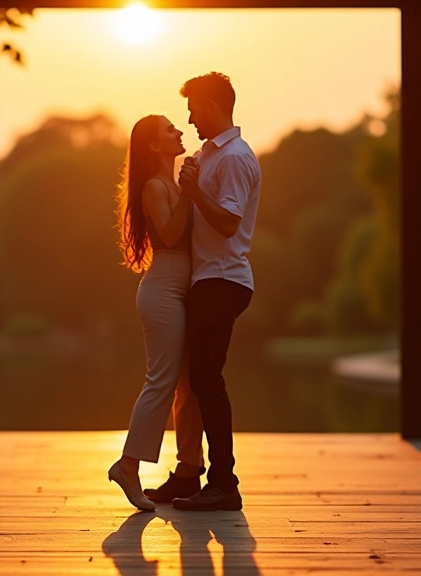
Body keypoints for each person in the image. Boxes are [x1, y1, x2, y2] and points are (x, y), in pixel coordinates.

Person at [169, 72, 261, 512]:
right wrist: (188, 185)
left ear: (211, 105)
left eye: (193, 108)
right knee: (195, 379)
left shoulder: (236, 158)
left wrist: (194, 191)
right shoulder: (207, 156)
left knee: (207, 379)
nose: (189, 119)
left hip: (224, 280)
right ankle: (191, 474)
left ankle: (224, 483)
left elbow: (227, 223)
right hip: (206, 279)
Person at [107, 115, 206, 511]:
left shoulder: (176, 183)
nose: (180, 132)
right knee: (162, 380)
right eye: (170, 130)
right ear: (153, 146)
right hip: (163, 289)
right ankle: (128, 464)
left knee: (190, 383)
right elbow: (169, 235)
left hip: (183, 287)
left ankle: (190, 468)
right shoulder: (155, 186)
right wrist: (187, 192)